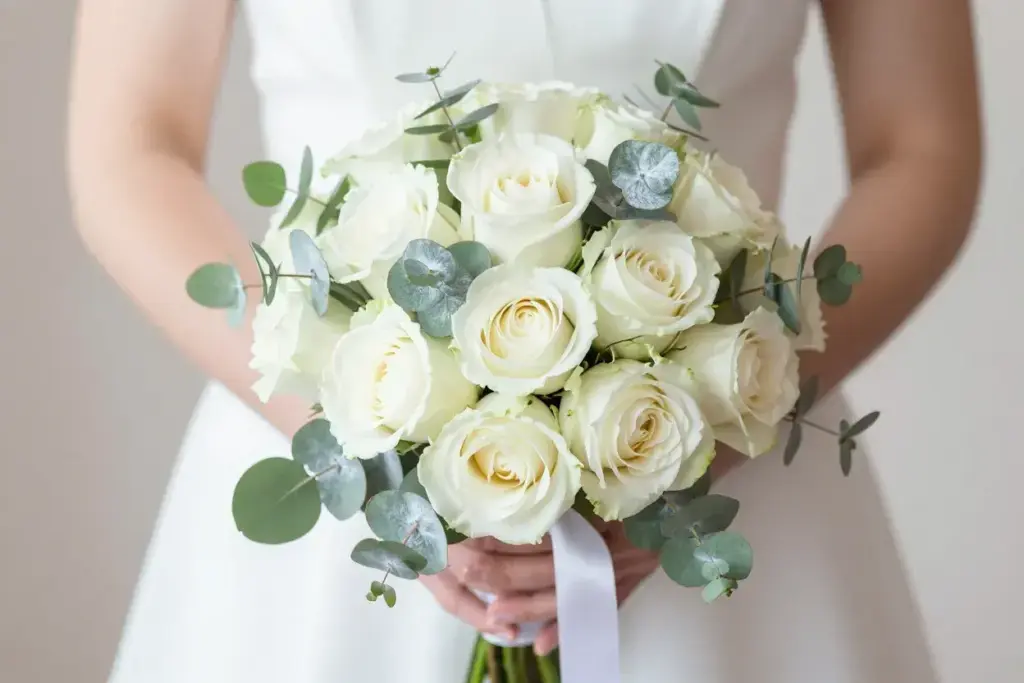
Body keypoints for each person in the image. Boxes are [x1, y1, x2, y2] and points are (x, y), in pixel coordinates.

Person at [67, 1, 982, 681]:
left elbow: (921, 144)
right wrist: (372, 455)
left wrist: (703, 435)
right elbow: (129, 144)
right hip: (323, 471)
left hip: (722, 468)